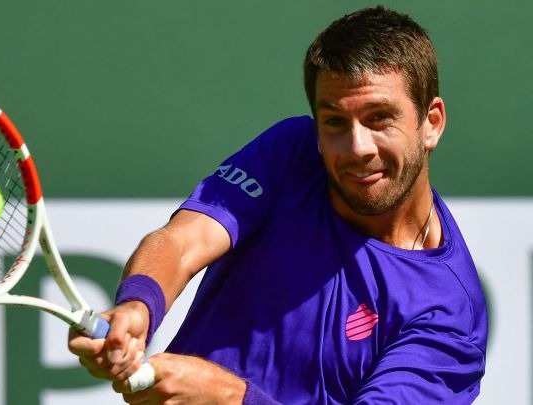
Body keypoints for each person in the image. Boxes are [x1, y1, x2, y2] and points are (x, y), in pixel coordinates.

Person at [69, 6, 487, 404]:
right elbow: (183, 241)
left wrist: (230, 399)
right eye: (335, 122)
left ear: (431, 123)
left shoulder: (449, 316)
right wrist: (138, 306)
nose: (358, 147)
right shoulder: (292, 152)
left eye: (379, 118)